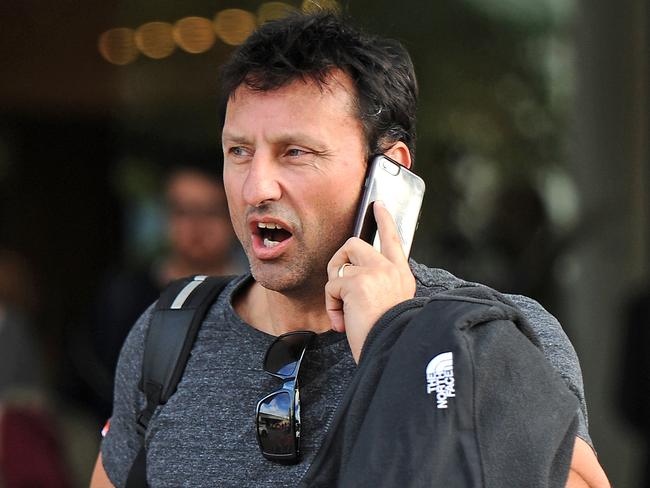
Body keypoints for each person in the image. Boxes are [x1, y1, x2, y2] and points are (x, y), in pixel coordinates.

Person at [91, 12, 609, 487]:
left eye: (296, 152)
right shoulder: (169, 333)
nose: (256, 188)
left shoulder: (488, 335)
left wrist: (400, 342)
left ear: (389, 171)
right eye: (239, 152)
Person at [72, 164, 244, 422]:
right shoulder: (126, 295)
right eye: (183, 211)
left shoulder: (257, 291)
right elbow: (97, 380)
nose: (196, 226)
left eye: (210, 212)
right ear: (165, 217)